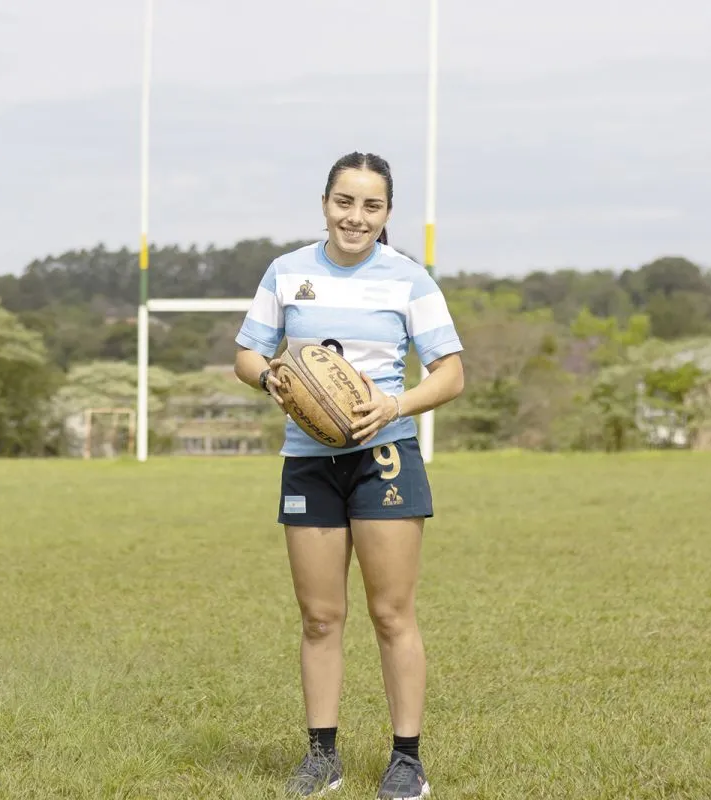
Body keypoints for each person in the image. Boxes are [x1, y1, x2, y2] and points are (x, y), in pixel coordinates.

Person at [233, 152, 465, 799]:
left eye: (370, 205)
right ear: (325, 203)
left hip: (383, 457)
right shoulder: (287, 272)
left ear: (386, 213)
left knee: (391, 614)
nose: (355, 216)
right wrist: (272, 377)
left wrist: (395, 405)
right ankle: (322, 756)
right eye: (344, 201)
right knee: (319, 617)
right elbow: (247, 354)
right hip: (308, 463)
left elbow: (450, 373)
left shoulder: (408, 279)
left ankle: (407, 760)